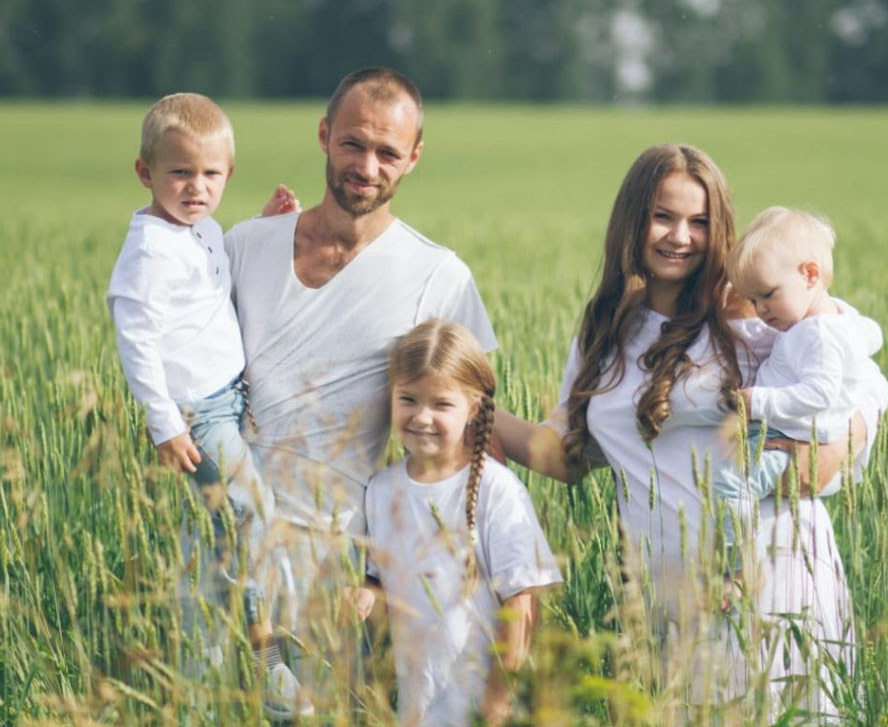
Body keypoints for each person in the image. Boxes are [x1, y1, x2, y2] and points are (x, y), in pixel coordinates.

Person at [494, 144, 871, 719]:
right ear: (633, 219)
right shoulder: (606, 324)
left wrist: (832, 450)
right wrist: (477, 411)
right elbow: (568, 454)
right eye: (663, 216)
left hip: (765, 578)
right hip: (662, 593)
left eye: (699, 221)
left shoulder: (755, 312)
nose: (680, 236)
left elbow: (854, 379)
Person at [223, 67, 497, 705]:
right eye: (352, 143)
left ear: (414, 159)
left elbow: (472, 427)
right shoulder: (246, 246)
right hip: (220, 542)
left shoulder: (438, 276)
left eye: (387, 153)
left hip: (336, 561)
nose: (366, 165)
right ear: (324, 135)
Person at [105, 93, 309, 718]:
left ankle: (205, 661)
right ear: (146, 173)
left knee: (228, 531)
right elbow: (135, 337)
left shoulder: (201, 229)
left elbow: (211, 284)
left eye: (210, 175)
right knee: (251, 518)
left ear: (227, 173)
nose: (196, 187)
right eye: (180, 173)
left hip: (230, 401)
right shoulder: (148, 250)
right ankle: (263, 655)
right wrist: (163, 421)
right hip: (198, 414)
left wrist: (268, 220)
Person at [346, 320, 561, 726]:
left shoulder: (497, 490)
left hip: (481, 710)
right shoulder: (381, 490)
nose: (422, 417)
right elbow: (382, 579)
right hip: (416, 709)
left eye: (441, 404)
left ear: (474, 409)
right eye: (408, 399)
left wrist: (496, 705)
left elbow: (522, 602)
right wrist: (367, 595)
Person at [714, 206, 888, 563]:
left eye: (767, 294)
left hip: (791, 443)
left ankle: (734, 567)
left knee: (729, 482)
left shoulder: (818, 334)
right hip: (790, 438)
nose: (761, 310)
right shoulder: (836, 319)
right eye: (752, 300)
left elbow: (820, 392)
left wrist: (757, 401)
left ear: (810, 273)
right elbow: (871, 335)